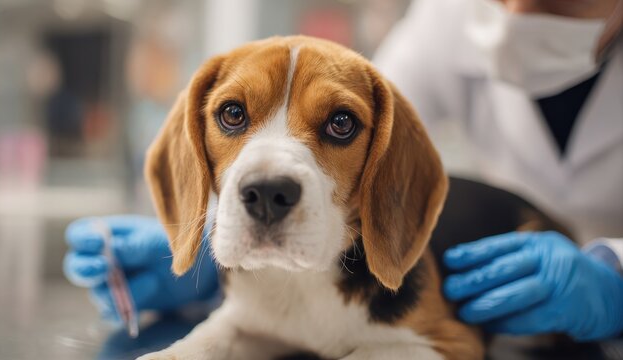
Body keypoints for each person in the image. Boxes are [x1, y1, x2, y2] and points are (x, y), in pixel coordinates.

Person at [64, 0, 623, 342]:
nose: (517, 14)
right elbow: (340, 119)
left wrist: (614, 275)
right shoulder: (452, 16)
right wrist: (209, 237)